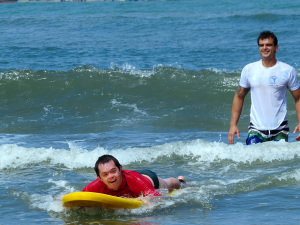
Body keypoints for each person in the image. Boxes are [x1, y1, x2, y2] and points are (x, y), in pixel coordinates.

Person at [228, 30, 300, 145]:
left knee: (279, 162)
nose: (264, 48)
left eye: (268, 45)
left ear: (276, 48)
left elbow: (298, 98)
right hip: (256, 130)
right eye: (261, 45)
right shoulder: (249, 70)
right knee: (253, 161)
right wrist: (233, 125)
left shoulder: (287, 70)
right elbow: (239, 96)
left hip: (280, 129)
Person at [82, 154, 186, 198]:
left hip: (149, 180)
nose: (110, 176)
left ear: (120, 169)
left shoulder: (134, 180)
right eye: (105, 174)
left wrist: (146, 200)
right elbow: (78, 197)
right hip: (134, 178)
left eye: (113, 171)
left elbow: (157, 198)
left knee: (169, 185)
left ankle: (182, 181)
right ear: (99, 178)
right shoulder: (97, 185)